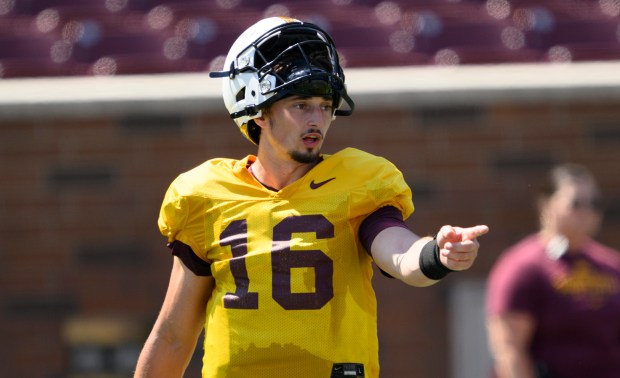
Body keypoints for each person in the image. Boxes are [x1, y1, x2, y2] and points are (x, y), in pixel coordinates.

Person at [134, 17, 489, 378]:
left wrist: (436, 254)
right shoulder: (206, 194)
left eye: (325, 104)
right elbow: (174, 335)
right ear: (257, 108)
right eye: (301, 104)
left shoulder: (358, 180)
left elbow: (399, 254)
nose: (317, 119)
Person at [486, 163, 620, 378]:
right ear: (546, 206)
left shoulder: (611, 264)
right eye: (576, 203)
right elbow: (509, 350)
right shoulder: (523, 265)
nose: (587, 211)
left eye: (594, 203)